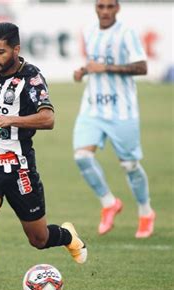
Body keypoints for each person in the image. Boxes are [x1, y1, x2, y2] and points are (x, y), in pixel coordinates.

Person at [0, 22, 87, 290]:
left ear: (16, 50)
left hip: (19, 169)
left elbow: (48, 118)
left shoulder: (32, 80)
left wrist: (9, 120)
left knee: (38, 238)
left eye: (0, 52)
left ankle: (68, 236)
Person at [73, 0, 155, 238]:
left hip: (122, 109)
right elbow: (95, 65)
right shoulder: (89, 31)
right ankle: (109, 203)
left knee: (129, 165)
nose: (105, 11)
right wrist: (83, 71)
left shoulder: (127, 33)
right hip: (93, 107)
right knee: (82, 157)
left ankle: (145, 211)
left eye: (110, 6)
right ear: (96, 8)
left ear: (118, 8)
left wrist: (106, 68)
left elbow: (142, 67)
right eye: (101, 6)